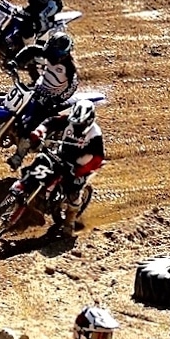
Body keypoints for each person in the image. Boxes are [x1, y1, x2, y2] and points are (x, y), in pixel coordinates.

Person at [8, 33, 80, 167]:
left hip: (51, 100)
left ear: (63, 54)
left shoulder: (70, 69)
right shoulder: (49, 52)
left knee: (30, 125)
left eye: (53, 54)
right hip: (37, 90)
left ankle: (19, 155)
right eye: (49, 51)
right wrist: (16, 62)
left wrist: (55, 100)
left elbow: (72, 87)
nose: (50, 56)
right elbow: (31, 50)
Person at [48, 98, 106, 237]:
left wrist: (80, 171)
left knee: (74, 193)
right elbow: (52, 123)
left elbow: (98, 158)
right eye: (75, 122)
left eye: (80, 123)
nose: (77, 126)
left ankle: (69, 223)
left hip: (82, 165)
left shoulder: (95, 135)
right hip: (63, 155)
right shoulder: (69, 120)